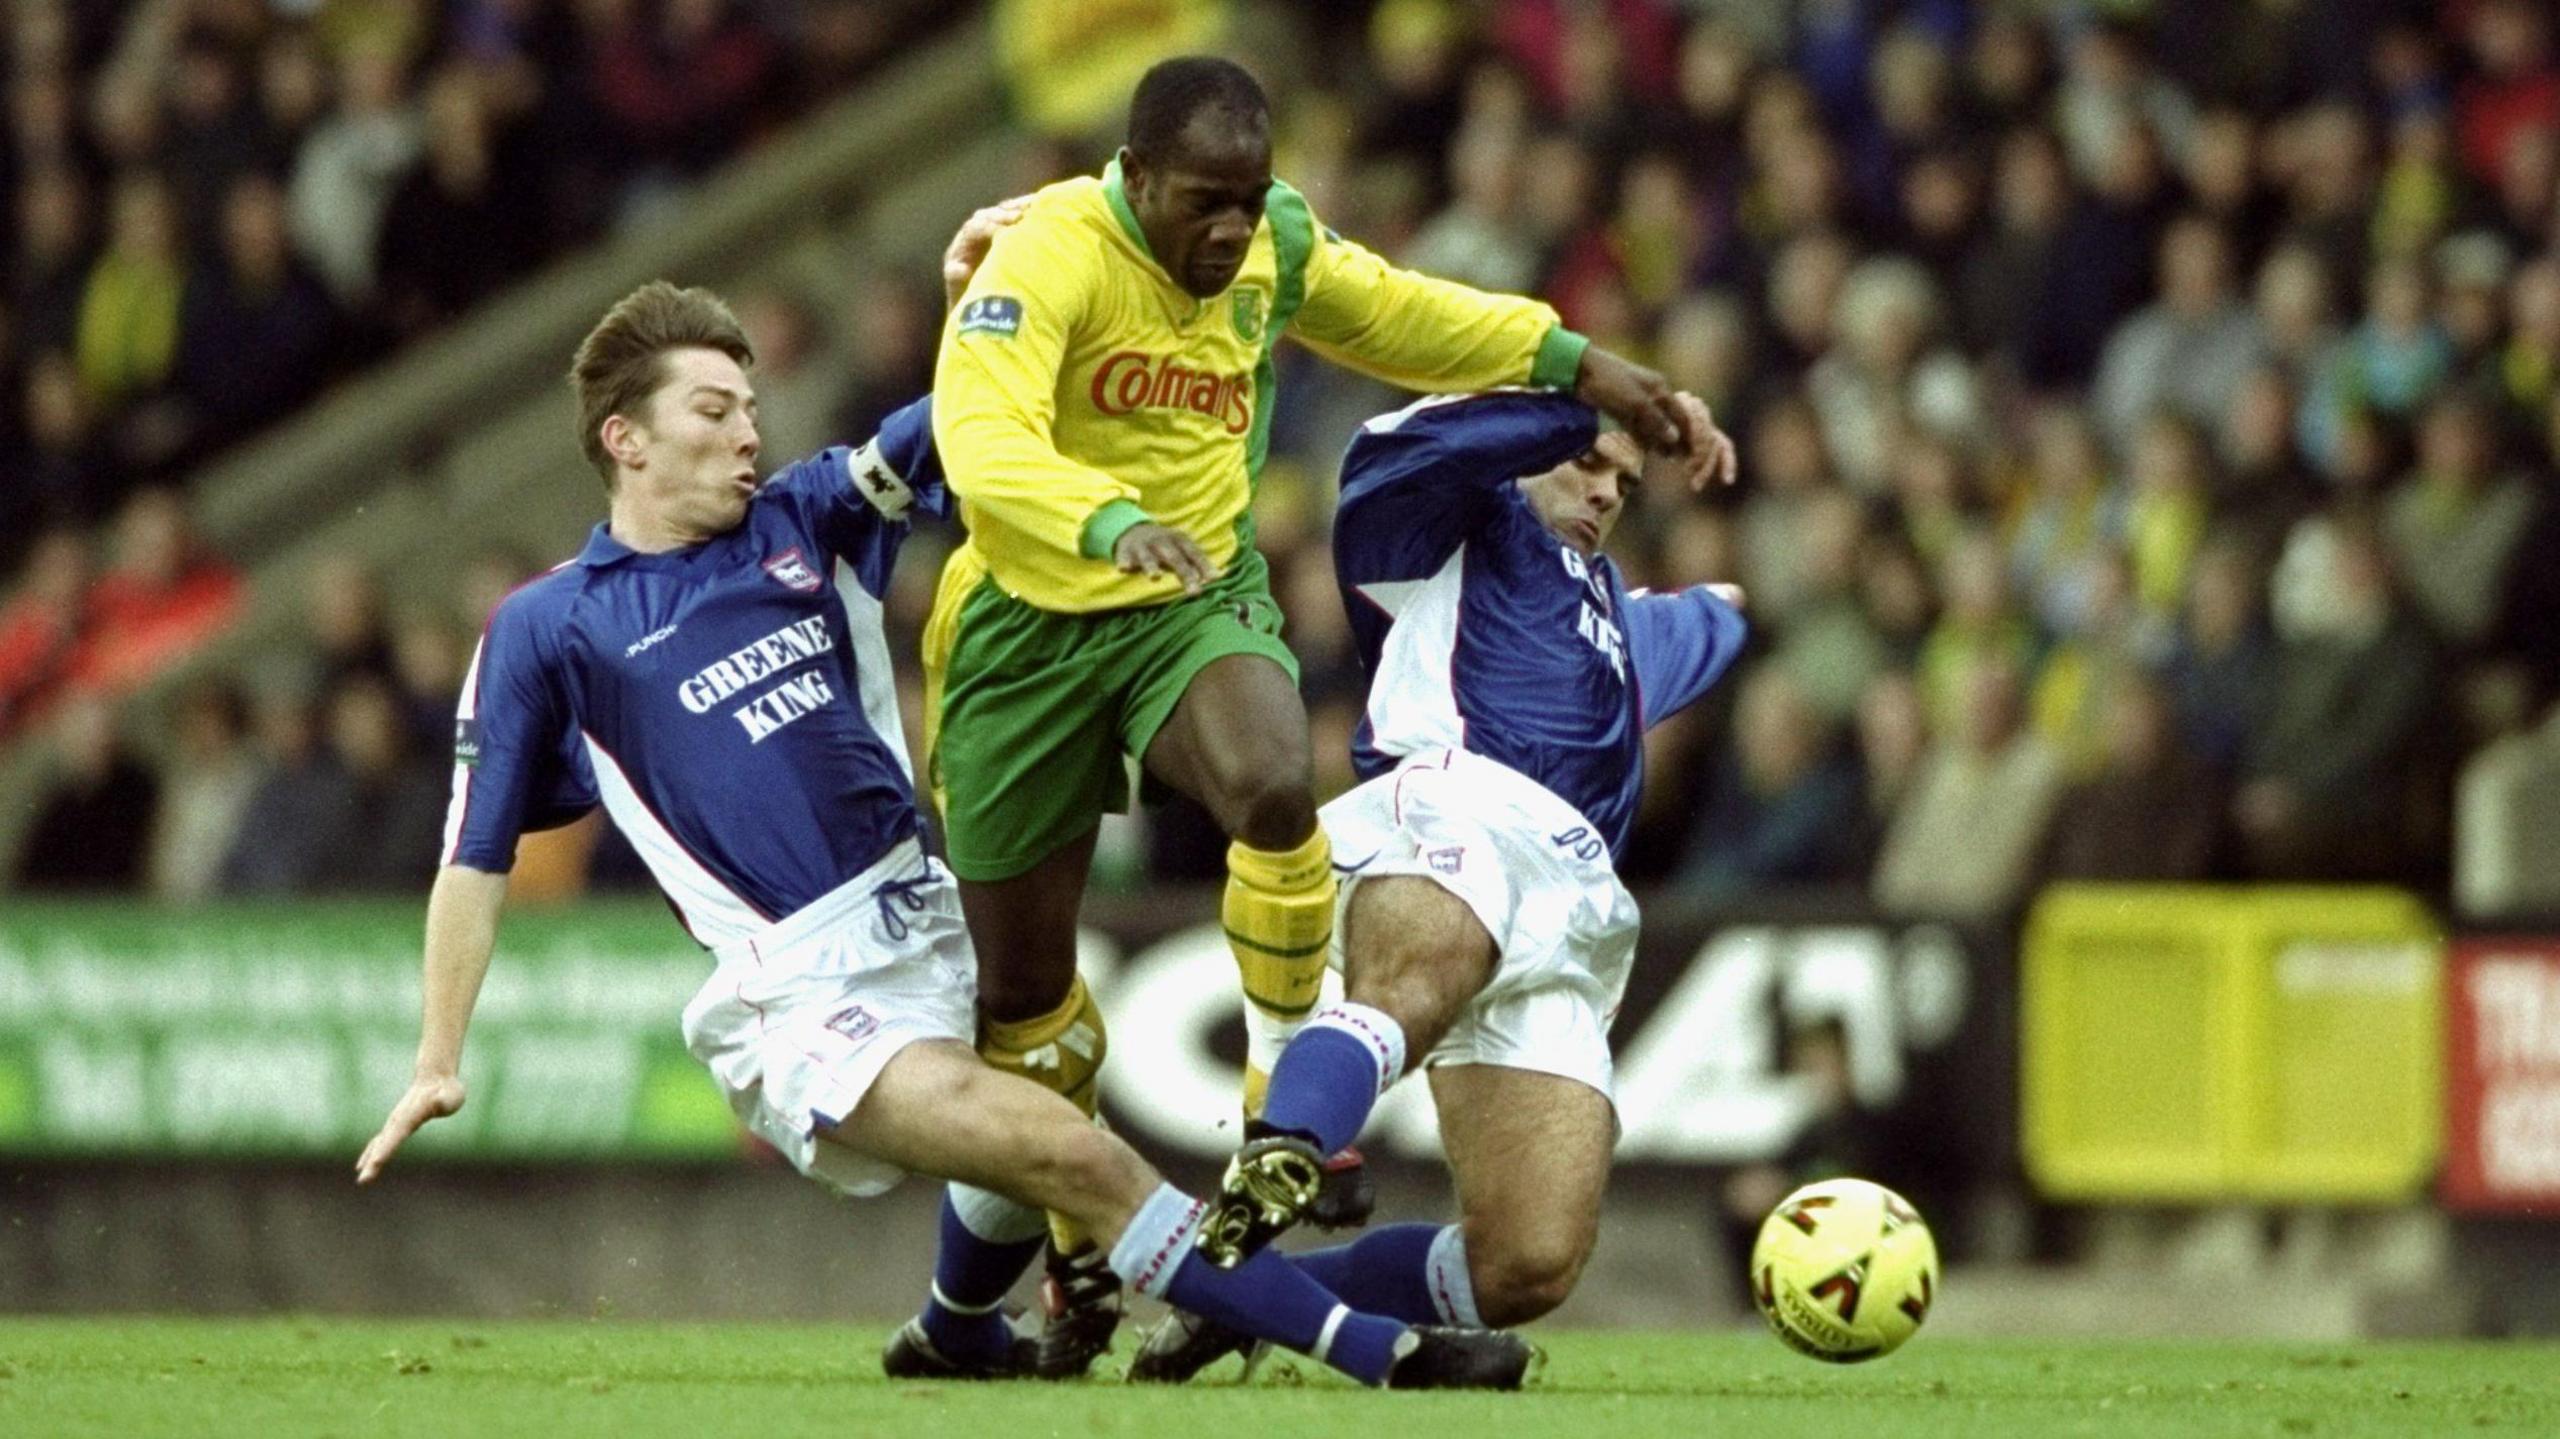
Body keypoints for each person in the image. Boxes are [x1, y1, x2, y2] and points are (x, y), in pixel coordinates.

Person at [353, 281, 1534, 1393]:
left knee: (1053, 1084)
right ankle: (1390, 1357)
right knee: (1072, 1154)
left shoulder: (806, 518)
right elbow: (475, 853)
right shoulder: (549, 625)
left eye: (752, 409)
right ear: (627, 438)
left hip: (928, 914)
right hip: (808, 994)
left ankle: (956, 1330)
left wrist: (1014, 281)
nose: (745, 434)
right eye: (712, 411)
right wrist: (437, 1056)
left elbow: (959, 411)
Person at [928, 56, 1719, 1371]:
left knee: (1275, 792)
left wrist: (1586, 365)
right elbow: (981, 433)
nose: (1233, 229)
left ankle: (1285, 1116)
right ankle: (1069, 1266)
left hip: (1191, 592)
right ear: (1134, 179)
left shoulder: (1274, 241)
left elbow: (1401, 316)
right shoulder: (1051, 251)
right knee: (1027, 1006)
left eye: (1250, 198)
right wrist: (1106, 519)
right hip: (1026, 623)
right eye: (1205, 203)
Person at [1130, 386, 1745, 1378]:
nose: (1604, 491)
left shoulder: (1616, 632)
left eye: (1624, 483)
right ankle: (1288, 1147)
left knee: (1526, 1259)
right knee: (1421, 971)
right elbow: (1387, 443)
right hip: (1462, 804)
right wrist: (1588, 397)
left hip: (1577, 903)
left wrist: (1714, 575)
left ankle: (1236, 1298)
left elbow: (1719, 615)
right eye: (1585, 463)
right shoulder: (1452, 529)